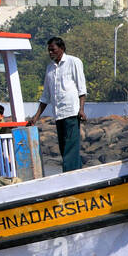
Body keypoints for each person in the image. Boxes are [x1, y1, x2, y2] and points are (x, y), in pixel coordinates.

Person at [28, 36, 87, 172]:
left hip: (71, 111)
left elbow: (81, 88)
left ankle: (68, 175)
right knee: (64, 147)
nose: (50, 53)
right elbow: (45, 96)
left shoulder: (73, 62)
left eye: (53, 50)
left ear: (61, 49)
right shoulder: (50, 68)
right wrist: (36, 117)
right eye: (49, 50)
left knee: (70, 148)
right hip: (58, 114)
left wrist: (81, 109)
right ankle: (78, 173)